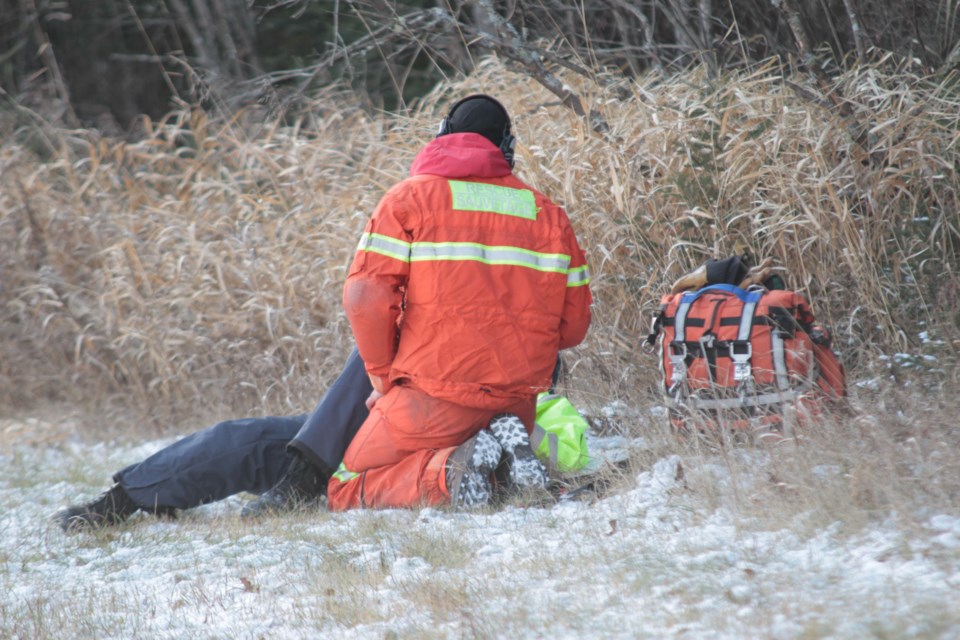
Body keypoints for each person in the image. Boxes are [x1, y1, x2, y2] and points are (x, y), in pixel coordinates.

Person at [326, 94, 592, 511]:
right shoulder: (549, 215)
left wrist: (382, 379)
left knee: (345, 485)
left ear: (441, 136)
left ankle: (450, 472)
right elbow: (573, 328)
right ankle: (500, 460)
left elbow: (364, 298)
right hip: (515, 401)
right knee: (496, 437)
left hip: (430, 401)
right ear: (507, 148)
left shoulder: (407, 201)